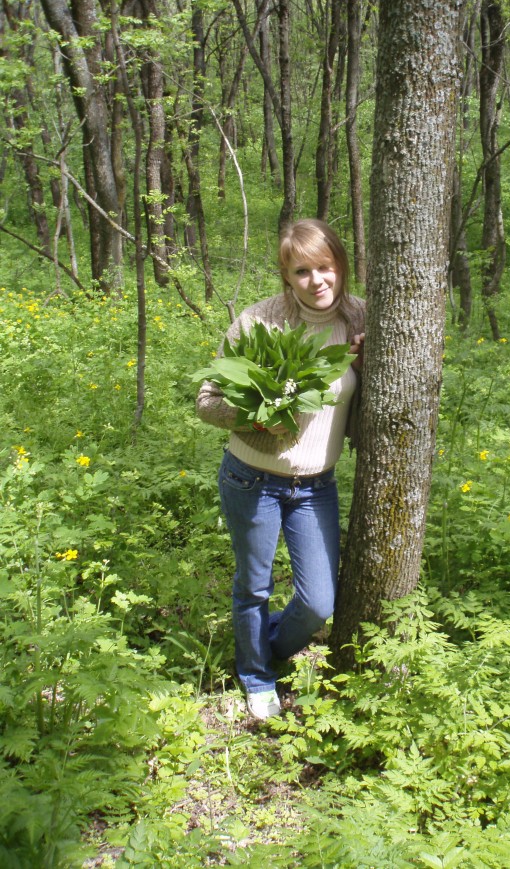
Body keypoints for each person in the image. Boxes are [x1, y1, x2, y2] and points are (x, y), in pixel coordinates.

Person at [196, 219, 365, 720]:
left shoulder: (360, 320)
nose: (317, 281)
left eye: (325, 267)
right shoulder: (258, 322)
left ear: (340, 266)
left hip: (317, 485)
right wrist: (255, 417)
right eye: (302, 271)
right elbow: (207, 400)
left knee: (318, 603)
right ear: (286, 277)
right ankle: (254, 676)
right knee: (254, 585)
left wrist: (366, 356)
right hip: (252, 478)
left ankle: (260, 649)